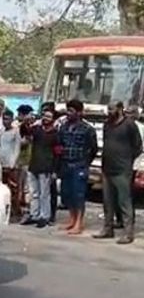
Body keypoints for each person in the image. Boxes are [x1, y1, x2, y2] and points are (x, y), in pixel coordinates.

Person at [93, 102, 142, 244]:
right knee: (108, 202)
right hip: (107, 168)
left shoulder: (129, 125)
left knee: (124, 201)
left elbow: (138, 146)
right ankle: (107, 229)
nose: (109, 112)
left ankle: (128, 233)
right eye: (108, 109)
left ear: (120, 109)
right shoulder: (107, 124)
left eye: (112, 109)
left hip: (122, 169)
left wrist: (127, 159)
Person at [58, 99, 99, 235]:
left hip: (79, 166)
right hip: (65, 164)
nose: (68, 113)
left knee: (78, 194)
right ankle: (71, 219)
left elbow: (93, 149)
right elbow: (60, 144)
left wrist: (85, 162)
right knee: (66, 194)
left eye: (72, 111)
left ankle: (79, 223)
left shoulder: (87, 129)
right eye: (67, 110)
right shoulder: (63, 126)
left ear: (79, 112)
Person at [24, 110, 59, 227]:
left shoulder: (55, 134)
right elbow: (25, 132)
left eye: (49, 117)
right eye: (44, 116)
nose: (46, 118)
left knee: (44, 194)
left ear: (53, 119)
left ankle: (44, 216)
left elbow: (58, 153)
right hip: (33, 165)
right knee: (34, 192)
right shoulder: (37, 130)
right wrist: (26, 122)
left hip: (46, 167)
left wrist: (55, 170)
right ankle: (35, 214)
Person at [0, 109, 22, 220]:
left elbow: (17, 148)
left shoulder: (16, 132)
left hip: (12, 165)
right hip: (2, 164)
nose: (5, 121)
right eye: (4, 119)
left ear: (12, 119)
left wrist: (13, 163)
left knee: (14, 189)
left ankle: (16, 212)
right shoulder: (1, 131)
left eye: (7, 119)